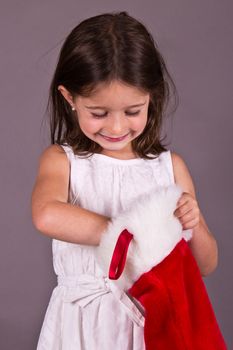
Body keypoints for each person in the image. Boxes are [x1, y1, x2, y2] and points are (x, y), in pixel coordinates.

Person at [31, 11, 218, 350]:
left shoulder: (169, 167)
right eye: (99, 113)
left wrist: (195, 224)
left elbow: (205, 264)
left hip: (149, 323)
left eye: (133, 111)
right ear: (70, 98)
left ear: (152, 97)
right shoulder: (63, 161)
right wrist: (131, 238)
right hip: (82, 326)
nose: (117, 128)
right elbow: (47, 214)